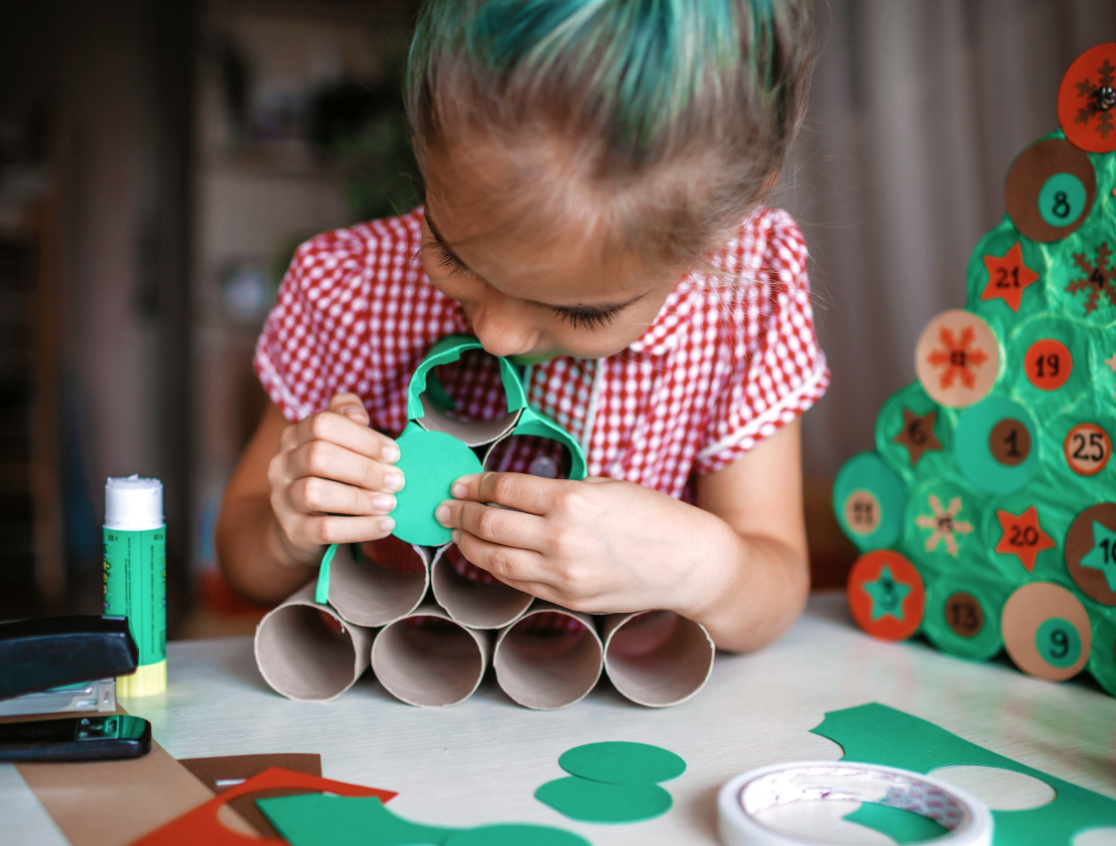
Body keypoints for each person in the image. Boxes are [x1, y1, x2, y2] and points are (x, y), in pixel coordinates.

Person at [217, 0, 827, 653]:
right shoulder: (348, 288)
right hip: (410, 681)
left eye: (583, 311)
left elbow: (774, 585)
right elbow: (240, 555)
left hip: (625, 690)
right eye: (454, 257)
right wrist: (287, 530)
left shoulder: (746, 294)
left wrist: (702, 567)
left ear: (722, 228)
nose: (497, 337)